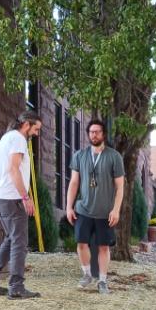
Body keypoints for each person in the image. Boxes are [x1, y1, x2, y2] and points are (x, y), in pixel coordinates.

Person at [0, 109, 43, 299]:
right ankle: (16, 287)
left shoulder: (8, 137)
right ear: (26, 124)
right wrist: (25, 197)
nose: (36, 134)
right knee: (19, 242)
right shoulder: (18, 139)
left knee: (11, 239)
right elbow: (13, 169)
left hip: (0, 198)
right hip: (11, 199)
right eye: (36, 129)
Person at [66, 118, 125, 295]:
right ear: (88, 134)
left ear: (103, 134)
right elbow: (74, 183)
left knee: (103, 247)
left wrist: (116, 210)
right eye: (91, 132)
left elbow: (120, 186)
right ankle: (87, 274)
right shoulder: (79, 156)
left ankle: (103, 281)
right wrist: (69, 207)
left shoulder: (114, 156)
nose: (94, 135)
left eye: (98, 132)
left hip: (105, 211)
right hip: (83, 209)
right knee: (81, 243)